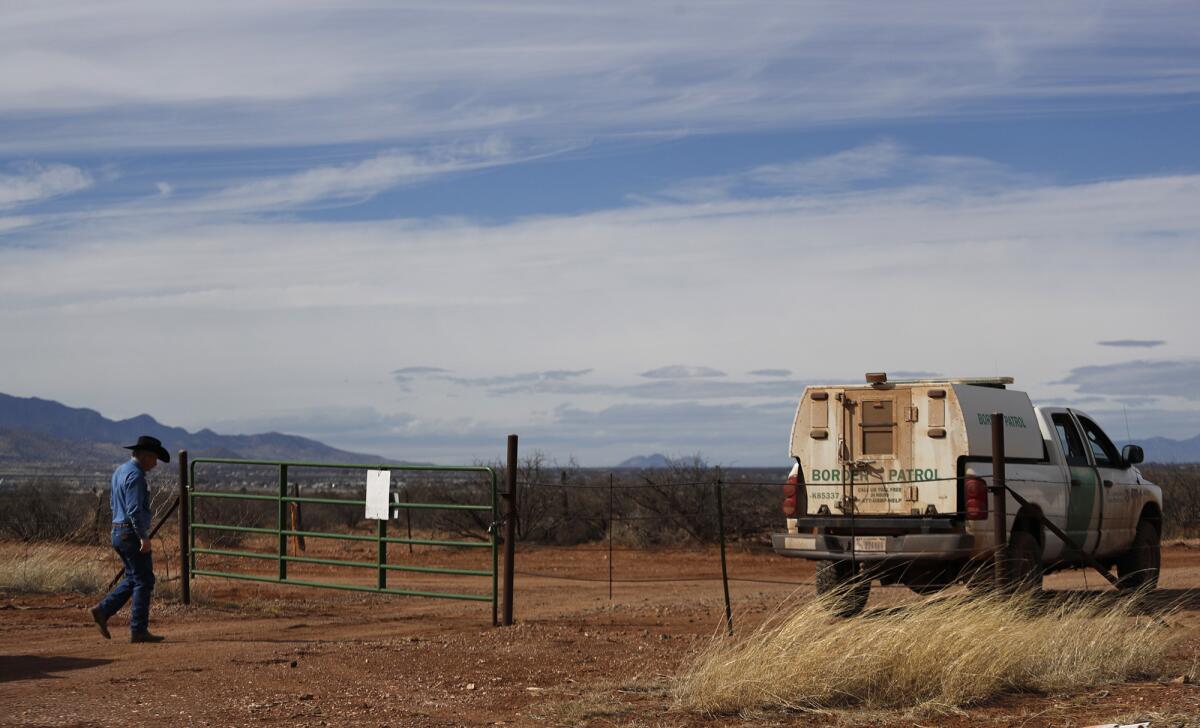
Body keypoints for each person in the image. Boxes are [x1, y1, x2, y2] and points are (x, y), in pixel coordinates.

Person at [90, 435, 170, 643]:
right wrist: (143, 536)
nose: (155, 464)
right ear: (146, 456)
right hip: (130, 533)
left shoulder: (120, 471)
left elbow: (112, 502)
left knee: (134, 577)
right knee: (144, 580)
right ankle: (138, 629)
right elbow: (134, 510)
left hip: (118, 530)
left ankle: (103, 610)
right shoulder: (136, 477)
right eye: (154, 459)